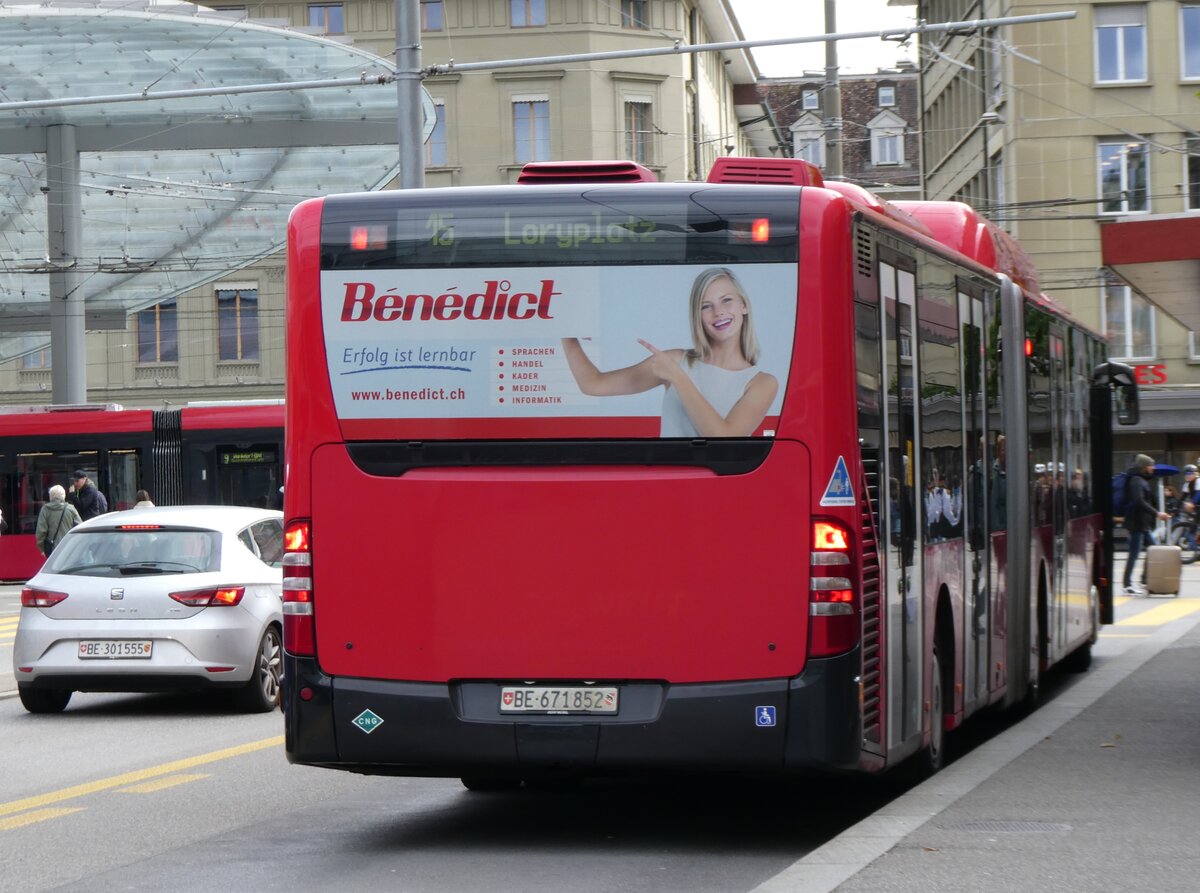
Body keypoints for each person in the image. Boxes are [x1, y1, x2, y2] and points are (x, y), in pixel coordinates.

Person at [560, 267, 778, 437]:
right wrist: (566, 334)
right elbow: (593, 384)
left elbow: (724, 438)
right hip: (669, 486)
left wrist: (677, 377)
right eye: (706, 306)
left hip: (722, 491)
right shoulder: (676, 360)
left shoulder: (761, 383)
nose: (718, 312)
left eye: (726, 300)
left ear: (744, 306)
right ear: (698, 316)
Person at [1122, 453, 1169, 595]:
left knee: (1153, 550)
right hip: (1136, 523)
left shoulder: (1142, 480)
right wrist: (1157, 513)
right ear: (1144, 467)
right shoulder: (1136, 480)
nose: (1153, 468)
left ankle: (1144, 580)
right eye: (1151, 465)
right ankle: (1127, 584)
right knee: (1134, 554)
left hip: (1143, 524)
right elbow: (1139, 501)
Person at [36, 484, 82, 557]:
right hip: (69, 549)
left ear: (50, 496)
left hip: (53, 550)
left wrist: (42, 549)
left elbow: (41, 532)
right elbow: (80, 528)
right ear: (64, 496)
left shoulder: (45, 510)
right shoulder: (71, 509)